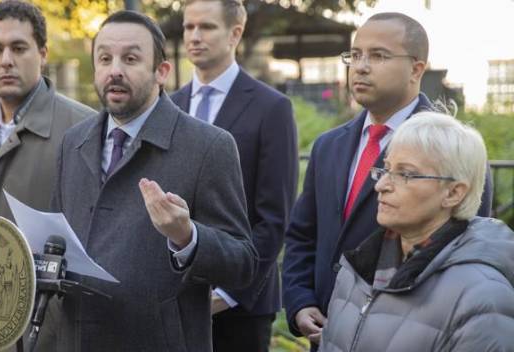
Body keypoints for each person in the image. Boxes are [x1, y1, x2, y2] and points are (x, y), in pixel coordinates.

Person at [42, 10, 258, 351]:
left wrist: (187, 237)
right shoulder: (73, 141)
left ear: (162, 71)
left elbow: (243, 263)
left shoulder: (209, 146)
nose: (115, 70)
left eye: (130, 58)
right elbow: (57, 241)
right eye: (105, 59)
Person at [281, 12, 493, 347]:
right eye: (356, 55)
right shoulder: (328, 146)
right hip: (324, 335)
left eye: (378, 56)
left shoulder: (453, 152)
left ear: (416, 69)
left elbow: (467, 256)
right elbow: (303, 236)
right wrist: (300, 302)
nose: (361, 66)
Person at [0, 1, 95, 350]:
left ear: (42, 52)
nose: (6, 59)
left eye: (18, 48)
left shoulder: (83, 129)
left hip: (49, 335)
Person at [319, 112, 514, 351]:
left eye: (405, 174)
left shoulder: (482, 297)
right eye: (386, 168)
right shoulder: (356, 270)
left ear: (453, 193)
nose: (381, 186)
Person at [169, 0, 297, 350]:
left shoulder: (272, 108)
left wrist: (228, 293)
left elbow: (274, 216)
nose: (194, 36)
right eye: (188, 27)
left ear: (235, 33)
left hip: (242, 306)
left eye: (206, 27)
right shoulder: (169, 106)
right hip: (175, 299)